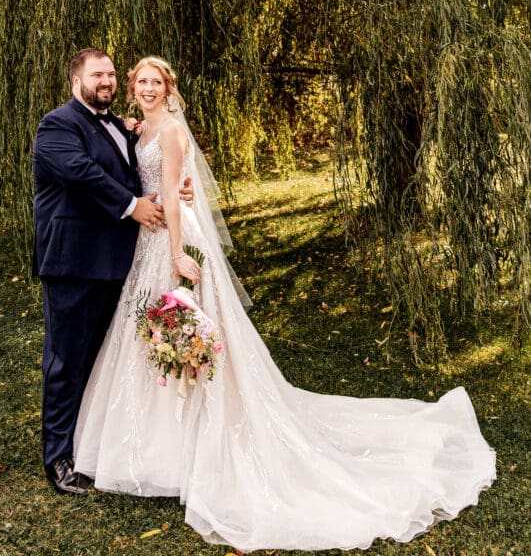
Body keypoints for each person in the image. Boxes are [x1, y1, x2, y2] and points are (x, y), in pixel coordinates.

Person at [73, 56, 496, 552]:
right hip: (147, 236)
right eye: (140, 82)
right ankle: (153, 447)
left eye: (156, 82)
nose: (148, 88)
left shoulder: (170, 134)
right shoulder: (139, 127)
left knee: (184, 331)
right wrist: (131, 129)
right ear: (132, 88)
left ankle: (180, 448)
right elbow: (139, 165)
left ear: (169, 87)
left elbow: (169, 189)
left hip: (170, 239)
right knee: (148, 338)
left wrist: (176, 259)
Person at [32, 48, 192, 495]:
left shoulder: (123, 129)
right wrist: (134, 205)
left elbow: (140, 174)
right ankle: (58, 458)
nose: (105, 81)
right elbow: (82, 174)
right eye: (95, 74)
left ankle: (86, 443)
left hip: (116, 262)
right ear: (75, 80)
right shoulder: (57, 125)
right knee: (65, 359)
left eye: (108, 74)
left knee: (98, 357)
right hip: (72, 262)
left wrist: (170, 195)